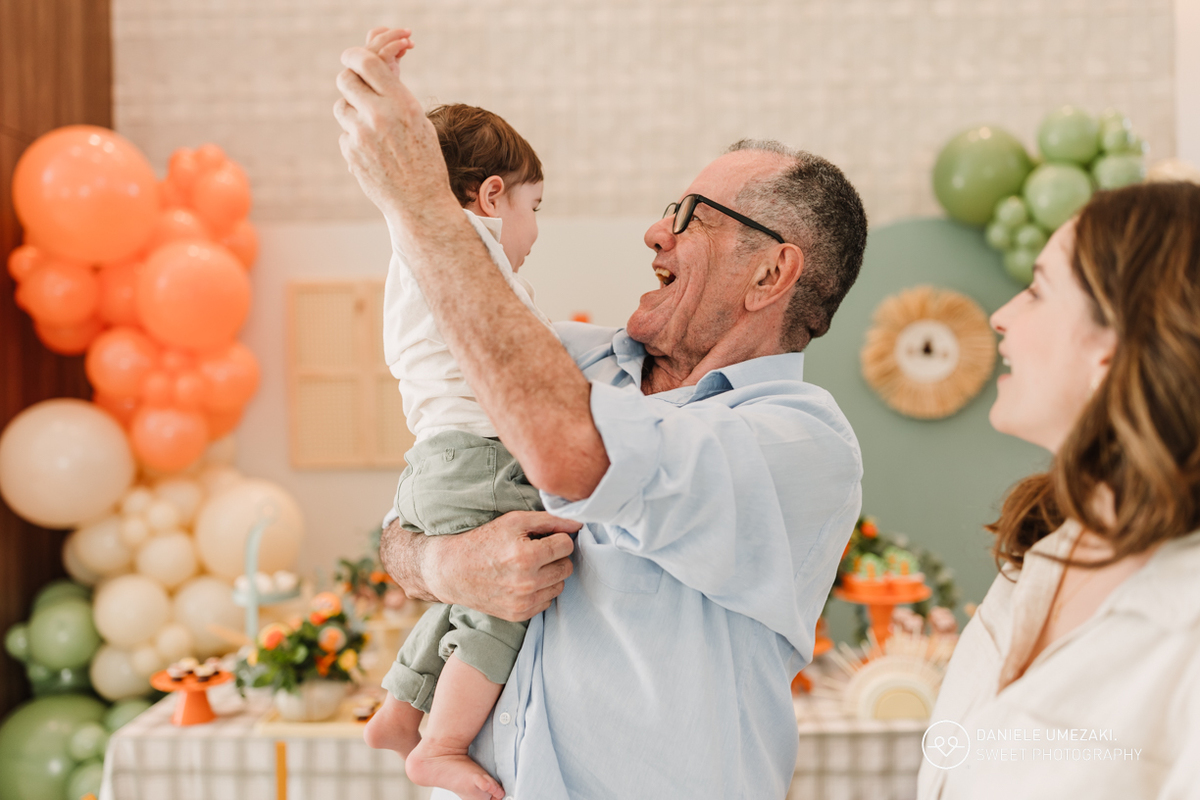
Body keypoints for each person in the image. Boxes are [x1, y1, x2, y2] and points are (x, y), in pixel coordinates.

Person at [334, 27, 869, 798]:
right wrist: (445, 565)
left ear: (771, 272)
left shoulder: (797, 440)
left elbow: (574, 458)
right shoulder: (564, 360)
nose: (656, 231)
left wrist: (423, 201)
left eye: (692, 216)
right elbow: (404, 529)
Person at [918, 181, 1200, 799]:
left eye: (1038, 289)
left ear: (1115, 344)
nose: (1002, 315)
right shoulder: (1033, 561)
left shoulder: (1187, 626)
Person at [362, 86, 554, 800]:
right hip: (479, 457)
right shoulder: (460, 246)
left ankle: (402, 707)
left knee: (465, 595)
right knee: (507, 600)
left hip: (435, 462)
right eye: (535, 210)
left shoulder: (411, 258)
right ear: (492, 197)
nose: (534, 233)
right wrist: (387, 94)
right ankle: (440, 743)